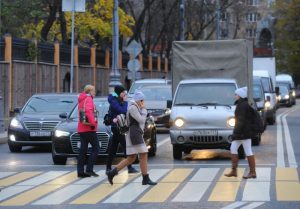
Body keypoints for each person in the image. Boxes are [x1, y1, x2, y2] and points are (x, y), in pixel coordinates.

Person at [107, 91, 157, 185]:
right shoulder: (133, 107)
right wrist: (144, 110)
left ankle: (112, 173)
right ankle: (145, 178)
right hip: (135, 134)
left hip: (134, 134)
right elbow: (141, 120)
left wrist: (143, 110)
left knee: (131, 158)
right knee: (144, 154)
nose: (143, 102)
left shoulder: (135, 107)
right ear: (139, 100)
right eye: (142, 100)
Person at [225, 87, 257, 179]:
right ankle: (234, 171)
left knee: (247, 151)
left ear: (240, 96)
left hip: (243, 133)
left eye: (236, 94)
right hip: (243, 133)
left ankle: (252, 172)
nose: (235, 96)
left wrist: (235, 133)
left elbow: (241, 121)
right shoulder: (242, 104)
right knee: (233, 148)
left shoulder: (242, 106)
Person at [106, 85, 138, 174]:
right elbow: (122, 110)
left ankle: (108, 167)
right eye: (123, 92)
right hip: (117, 127)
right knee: (126, 146)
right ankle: (130, 167)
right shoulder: (113, 101)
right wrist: (125, 102)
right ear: (119, 93)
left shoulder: (117, 99)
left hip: (119, 126)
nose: (124, 94)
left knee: (113, 148)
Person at [77, 85, 100, 178]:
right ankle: (89, 170)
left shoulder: (82, 99)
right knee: (96, 147)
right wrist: (93, 123)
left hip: (82, 128)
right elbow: (88, 111)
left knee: (83, 150)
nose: (95, 93)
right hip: (89, 128)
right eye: (94, 91)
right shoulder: (89, 99)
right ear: (90, 91)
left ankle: (80, 172)